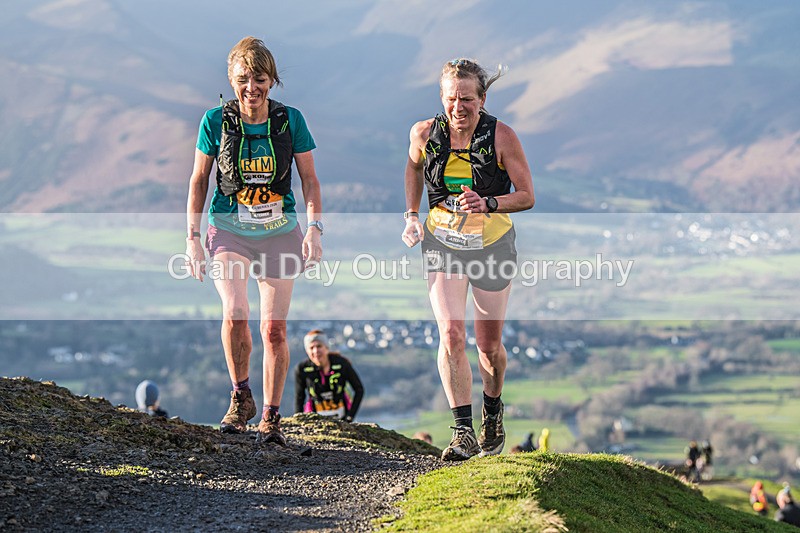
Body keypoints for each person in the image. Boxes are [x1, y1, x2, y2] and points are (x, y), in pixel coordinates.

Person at [185, 37, 323, 446]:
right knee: (235, 311)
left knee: (274, 330)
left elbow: (310, 180)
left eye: (260, 79)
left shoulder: (290, 120)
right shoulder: (214, 121)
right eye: (243, 79)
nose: (252, 88)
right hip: (229, 229)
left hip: (280, 232)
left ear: (272, 80)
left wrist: (314, 228)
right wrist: (192, 238)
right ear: (232, 80)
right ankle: (241, 395)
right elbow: (199, 180)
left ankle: (271, 416)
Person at [402, 58, 535, 461]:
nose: (458, 107)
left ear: (482, 99)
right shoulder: (424, 132)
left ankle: (492, 410)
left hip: (492, 244)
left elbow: (527, 195)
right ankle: (462, 431)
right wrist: (411, 216)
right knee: (452, 335)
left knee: (488, 346)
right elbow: (412, 167)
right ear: (442, 97)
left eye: (467, 99)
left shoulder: (502, 137)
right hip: (442, 241)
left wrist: (489, 202)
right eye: (451, 98)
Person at [294, 330, 364, 422]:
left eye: (319, 346)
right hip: (314, 418)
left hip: (342, 416)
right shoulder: (302, 368)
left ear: (326, 348)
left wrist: (350, 416)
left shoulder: (342, 364)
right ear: (307, 351)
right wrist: (298, 421)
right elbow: (299, 397)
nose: (316, 351)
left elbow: (359, 389)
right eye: (311, 347)